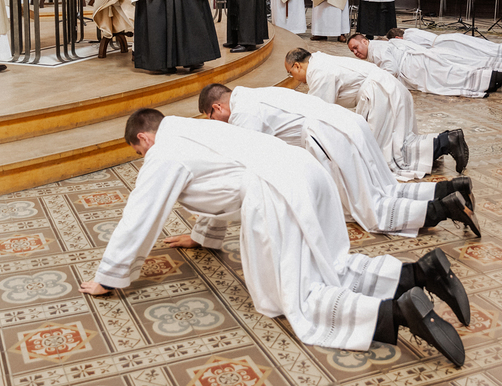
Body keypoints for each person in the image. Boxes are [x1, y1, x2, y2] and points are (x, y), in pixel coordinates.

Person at [79, 109, 470, 367]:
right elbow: (220, 181)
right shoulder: (195, 128)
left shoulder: (162, 152)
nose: (142, 159)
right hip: (305, 171)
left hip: (276, 194)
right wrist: (202, 236)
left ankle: (397, 313)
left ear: (144, 138)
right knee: (332, 264)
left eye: (138, 152)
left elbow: (139, 216)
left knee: (294, 297)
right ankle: (419, 272)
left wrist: (108, 276)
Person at [198, 84, 480, 238]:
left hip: (330, 136)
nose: (216, 124)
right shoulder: (257, 93)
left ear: (217, 107)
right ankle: (454, 188)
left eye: (211, 118)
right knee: (386, 188)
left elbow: (244, 168)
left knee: (370, 210)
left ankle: (446, 208)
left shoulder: (243, 114)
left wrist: (207, 230)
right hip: (349, 123)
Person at [285, 49, 468, 179]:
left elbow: (318, 111)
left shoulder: (318, 71)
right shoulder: (319, 61)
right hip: (384, 89)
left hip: (379, 94)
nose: (292, 78)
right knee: (395, 144)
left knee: (383, 156)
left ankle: (447, 141)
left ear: (297, 66)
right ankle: (446, 141)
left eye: (290, 73)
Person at [347, 34, 502, 97]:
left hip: (419, 67)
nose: (356, 52)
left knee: (462, 76)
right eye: (352, 51)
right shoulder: (382, 45)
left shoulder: (376, 49)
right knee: (465, 72)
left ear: (364, 41)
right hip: (421, 63)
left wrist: (374, 81)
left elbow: (391, 69)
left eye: (356, 47)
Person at [387, 27, 502, 67]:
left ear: (397, 38)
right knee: (487, 48)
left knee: (484, 53)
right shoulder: (410, 30)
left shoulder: (407, 38)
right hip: (448, 38)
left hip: (446, 45)